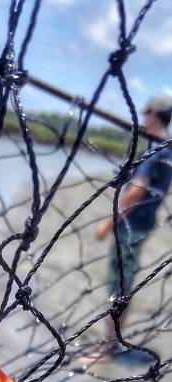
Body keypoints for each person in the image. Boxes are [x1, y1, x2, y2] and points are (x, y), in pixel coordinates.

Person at [95, 95, 172, 355]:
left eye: (146, 112)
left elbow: (136, 192)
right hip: (143, 226)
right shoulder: (168, 147)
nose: (143, 116)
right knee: (123, 284)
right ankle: (111, 342)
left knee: (119, 286)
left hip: (130, 227)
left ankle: (108, 347)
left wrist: (108, 222)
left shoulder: (156, 149)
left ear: (154, 114)